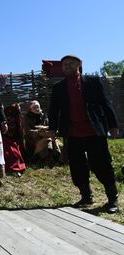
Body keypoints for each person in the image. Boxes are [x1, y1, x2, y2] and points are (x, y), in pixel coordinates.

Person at [48, 55, 119, 213]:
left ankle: (112, 198)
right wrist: (52, 129)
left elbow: (105, 103)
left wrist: (113, 125)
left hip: (94, 132)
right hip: (72, 134)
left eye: (70, 64)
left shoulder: (92, 82)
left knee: (102, 165)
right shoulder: (59, 87)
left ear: (79, 64)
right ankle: (86, 196)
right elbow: (53, 110)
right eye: (64, 65)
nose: (67, 67)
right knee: (77, 167)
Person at [23, 100, 62, 165]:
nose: (37, 109)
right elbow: (28, 132)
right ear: (30, 109)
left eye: (38, 107)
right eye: (34, 107)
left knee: (54, 140)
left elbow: (50, 126)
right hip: (33, 139)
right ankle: (47, 159)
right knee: (46, 140)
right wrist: (39, 132)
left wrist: (48, 129)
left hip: (46, 135)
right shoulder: (27, 118)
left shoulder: (43, 116)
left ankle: (57, 157)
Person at [2, 103, 27, 176]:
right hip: (5, 139)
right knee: (12, 152)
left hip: (14, 140)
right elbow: (7, 132)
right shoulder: (8, 119)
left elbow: (19, 133)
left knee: (15, 151)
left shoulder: (18, 120)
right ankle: (13, 168)